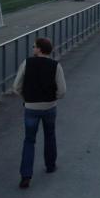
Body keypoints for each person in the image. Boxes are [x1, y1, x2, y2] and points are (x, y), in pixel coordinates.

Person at [13, 37, 66, 189]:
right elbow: (62, 91)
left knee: (29, 140)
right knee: (50, 135)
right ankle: (50, 165)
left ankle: (26, 176)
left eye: (34, 46)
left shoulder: (27, 63)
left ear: (39, 49)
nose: (33, 49)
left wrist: (26, 98)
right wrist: (52, 98)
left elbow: (16, 87)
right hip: (49, 107)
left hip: (31, 107)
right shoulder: (55, 66)